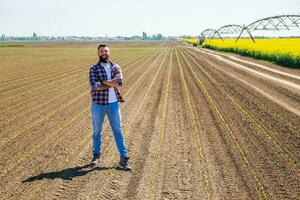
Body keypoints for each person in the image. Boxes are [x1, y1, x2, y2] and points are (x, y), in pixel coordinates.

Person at [89, 44, 131, 171]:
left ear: (109, 52)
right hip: (98, 103)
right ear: (98, 53)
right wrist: (111, 83)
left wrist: (102, 81)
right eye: (101, 51)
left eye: (106, 51)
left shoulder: (116, 67)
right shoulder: (93, 68)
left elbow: (119, 82)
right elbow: (95, 85)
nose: (104, 53)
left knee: (118, 130)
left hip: (113, 104)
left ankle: (124, 159)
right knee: (97, 131)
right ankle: (96, 155)